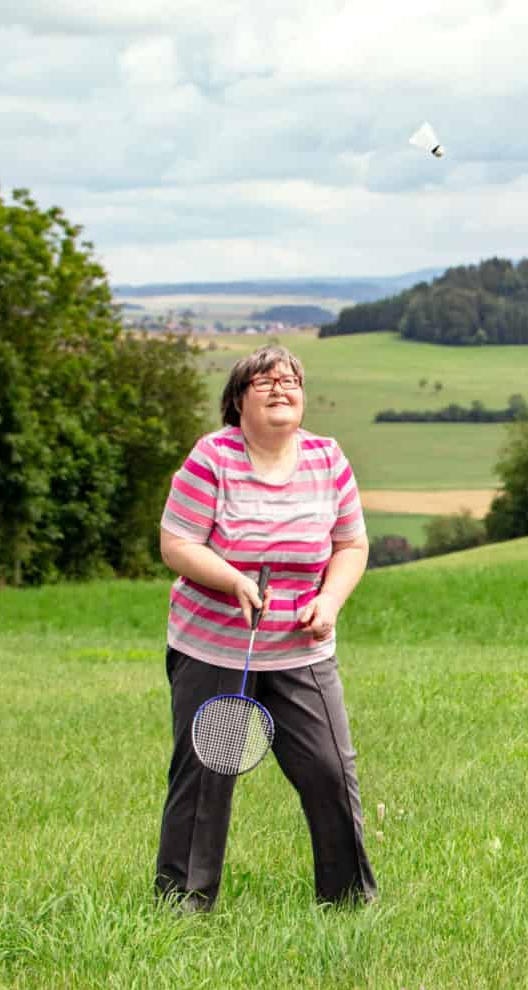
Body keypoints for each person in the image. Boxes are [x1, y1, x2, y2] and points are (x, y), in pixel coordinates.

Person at [154, 344, 378, 910]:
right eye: (265, 382)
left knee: (329, 768)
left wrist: (328, 602)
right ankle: (184, 904)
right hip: (218, 650)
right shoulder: (213, 458)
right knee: (208, 773)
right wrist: (231, 578)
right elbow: (176, 544)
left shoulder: (328, 459)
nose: (282, 388)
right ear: (236, 400)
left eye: (291, 381)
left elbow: (351, 544)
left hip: (302, 651)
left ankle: (349, 902)